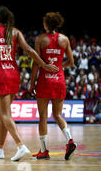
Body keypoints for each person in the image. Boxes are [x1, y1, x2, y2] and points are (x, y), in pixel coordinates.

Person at [0, 6, 58, 161]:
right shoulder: (15, 32)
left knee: (4, 114)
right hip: (13, 73)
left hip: (0, 73)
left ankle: (20, 145)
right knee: (5, 114)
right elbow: (29, 50)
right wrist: (43, 64)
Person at [29, 12, 77, 160]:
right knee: (57, 115)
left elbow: (36, 63)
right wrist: (58, 66)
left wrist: (31, 84)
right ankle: (70, 141)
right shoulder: (64, 39)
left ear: (45, 24)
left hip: (44, 81)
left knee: (43, 116)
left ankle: (44, 151)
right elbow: (71, 62)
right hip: (59, 80)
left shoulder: (40, 39)